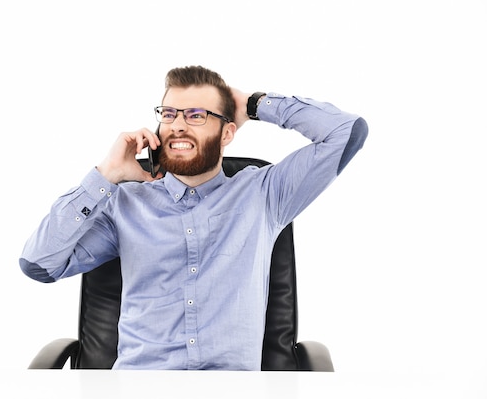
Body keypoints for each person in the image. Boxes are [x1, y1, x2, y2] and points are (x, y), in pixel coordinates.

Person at [19, 65, 368, 370]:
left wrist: (254, 104)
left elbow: (345, 132)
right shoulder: (125, 202)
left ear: (227, 133)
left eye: (196, 115)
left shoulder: (266, 193)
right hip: (139, 387)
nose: (178, 126)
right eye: (169, 114)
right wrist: (106, 174)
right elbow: (38, 264)